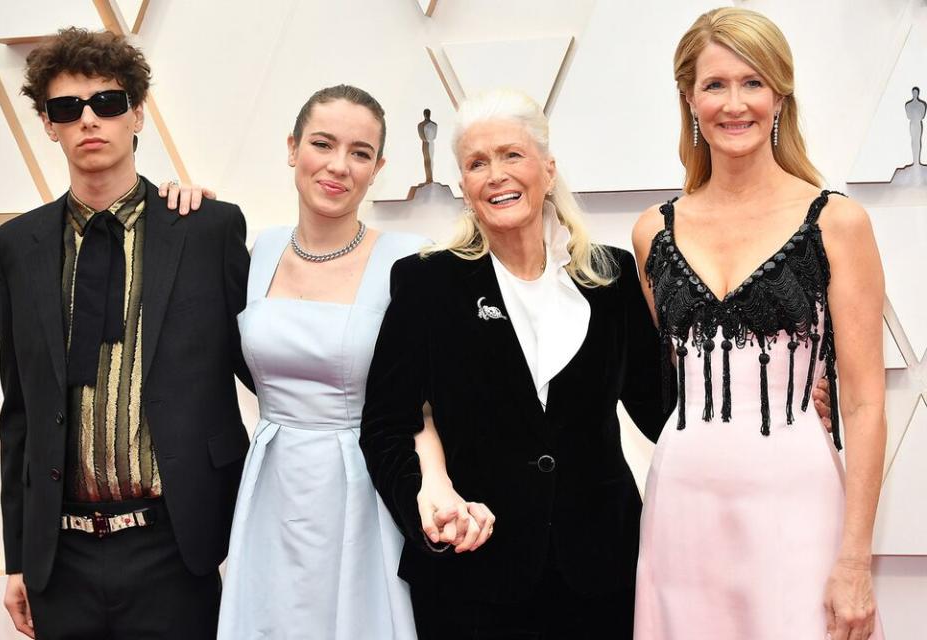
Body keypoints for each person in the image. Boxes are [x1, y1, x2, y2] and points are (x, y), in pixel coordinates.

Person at [359, 89, 672, 639]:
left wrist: (770, 401)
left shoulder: (613, 277)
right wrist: (428, 506)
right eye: (477, 163)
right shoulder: (427, 284)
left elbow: (666, 410)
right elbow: (386, 423)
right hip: (472, 578)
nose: (496, 175)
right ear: (463, 188)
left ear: (548, 170)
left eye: (512, 155)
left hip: (601, 573)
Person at [631, 8, 886, 640]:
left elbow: (863, 400)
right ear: (689, 98)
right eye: (715, 84)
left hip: (797, 501)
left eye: (753, 82)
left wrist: (854, 561)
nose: (734, 103)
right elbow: (666, 378)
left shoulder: (836, 222)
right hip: (682, 505)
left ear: (780, 95)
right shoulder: (651, 232)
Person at [0, 28, 252, 639]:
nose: (88, 121)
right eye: (66, 109)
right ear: (48, 126)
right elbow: (20, 411)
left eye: (107, 103)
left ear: (136, 113)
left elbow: (260, 364)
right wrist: (17, 559)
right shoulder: (15, 247)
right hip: (62, 555)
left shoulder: (207, 229)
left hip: (174, 541)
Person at [214, 85, 448, 640]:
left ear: (378, 168)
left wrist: (433, 483)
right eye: (322, 143)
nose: (339, 166)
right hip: (271, 483)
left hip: (363, 484)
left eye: (360, 153)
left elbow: (428, 403)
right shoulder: (259, 251)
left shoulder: (408, 260)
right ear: (293, 148)